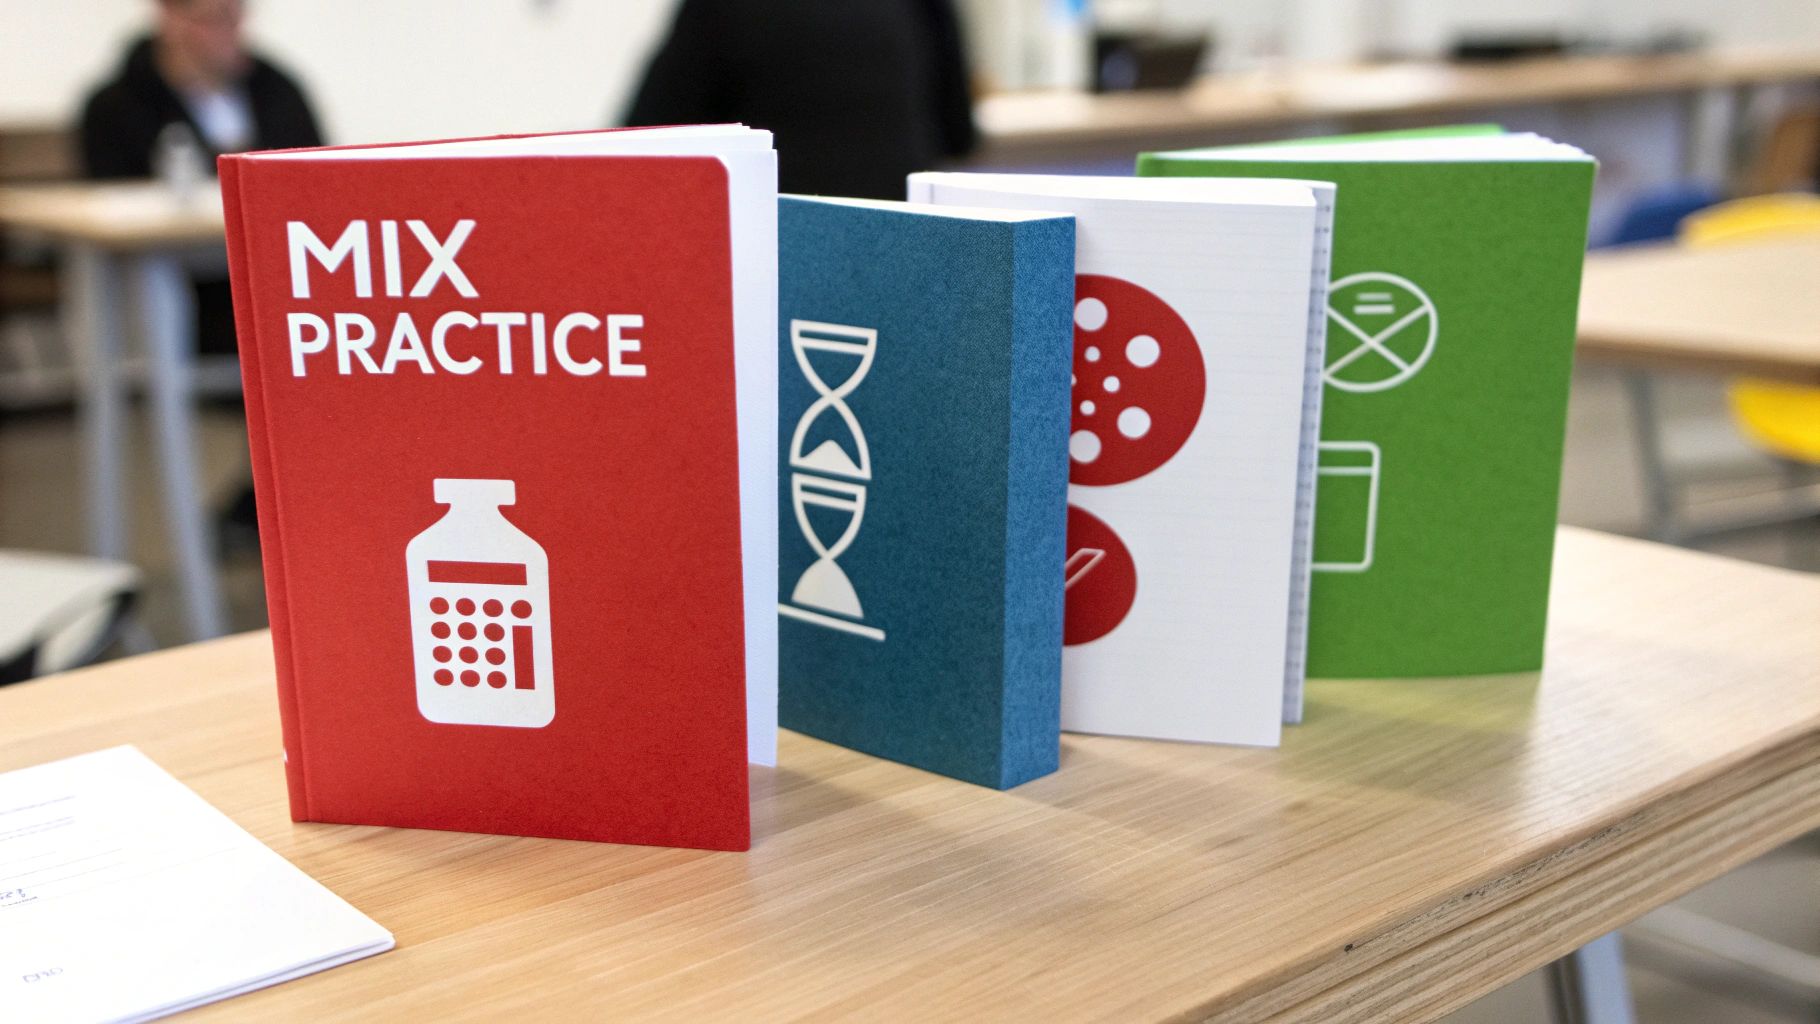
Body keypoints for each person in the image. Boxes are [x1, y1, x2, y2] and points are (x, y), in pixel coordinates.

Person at [78, 0, 324, 549]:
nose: (233, 34)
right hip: (185, 297)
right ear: (172, 21)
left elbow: (314, 183)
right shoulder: (116, 106)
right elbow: (112, 200)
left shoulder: (277, 86)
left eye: (238, 17)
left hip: (278, 286)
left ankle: (285, 507)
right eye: (217, 19)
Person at [623, 0, 977, 199]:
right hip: (906, 246)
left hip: (779, 251)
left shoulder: (720, 10)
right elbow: (959, 134)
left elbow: (641, 140)